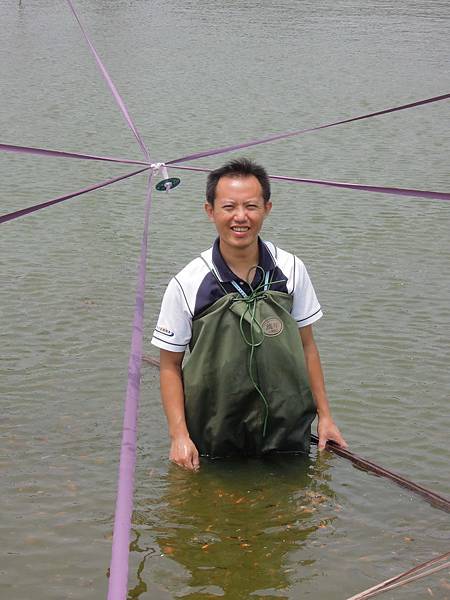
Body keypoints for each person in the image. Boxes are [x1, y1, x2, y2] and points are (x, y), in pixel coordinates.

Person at [151, 158, 347, 470]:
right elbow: (170, 366)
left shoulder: (292, 269)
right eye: (229, 207)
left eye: (251, 206)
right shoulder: (187, 282)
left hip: (286, 430)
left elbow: (307, 345)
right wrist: (179, 436)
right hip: (214, 433)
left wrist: (326, 417)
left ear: (267, 208)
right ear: (210, 211)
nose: (240, 217)